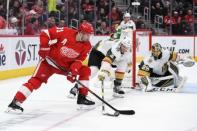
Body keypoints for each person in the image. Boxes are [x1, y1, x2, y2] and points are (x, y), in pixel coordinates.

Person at [6, 22, 95, 113]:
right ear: (80, 32)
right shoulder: (65, 32)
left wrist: (73, 71)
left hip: (65, 67)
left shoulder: (87, 46)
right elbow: (45, 33)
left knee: (85, 70)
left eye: (90, 35)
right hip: (49, 63)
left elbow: (79, 60)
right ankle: (15, 103)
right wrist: (44, 47)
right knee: (36, 81)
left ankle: (82, 98)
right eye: (87, 35)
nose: (88, 38)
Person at [68, 33, 118, 98]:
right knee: (91, 73)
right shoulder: (112, 42)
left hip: (102, 56)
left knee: (110, 74)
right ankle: (76, 88)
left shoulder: (107, 40)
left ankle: (116, 86)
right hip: (97, 56)